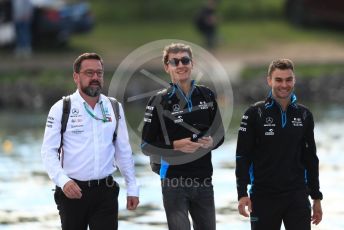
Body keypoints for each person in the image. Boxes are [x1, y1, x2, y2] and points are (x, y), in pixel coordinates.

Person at [41, 53, 139, 230]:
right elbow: (48, 152)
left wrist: (132, 187)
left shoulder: (114, 107)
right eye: (89, 73)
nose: (95, 77)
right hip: (72, 191)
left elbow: (123, 150)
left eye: (99, 73)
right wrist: (63, 181)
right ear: (76, 76)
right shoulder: (61, 108)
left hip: (106, 192)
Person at [141, 43, 225, 230]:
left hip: (204, 180)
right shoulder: (158, 101)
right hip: (173, 181)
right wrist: (175, 146)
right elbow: (146, 146)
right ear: (167, 67)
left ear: (192, 64)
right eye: (175, 61)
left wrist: (211, 142)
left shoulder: (207, 95)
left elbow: (220, 135)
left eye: (185, 60)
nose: (181, 65)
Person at [235, 58, 323, 230]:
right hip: (263, 196)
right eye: (279, 80)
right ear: (269, 80)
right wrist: (242, 194)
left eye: (288, 80)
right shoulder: (254, 113)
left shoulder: (304, 115)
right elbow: (242, 156)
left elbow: (311, 158)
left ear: (294, 80)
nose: (284, 85)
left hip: (297, 196)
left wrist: (316, 198)